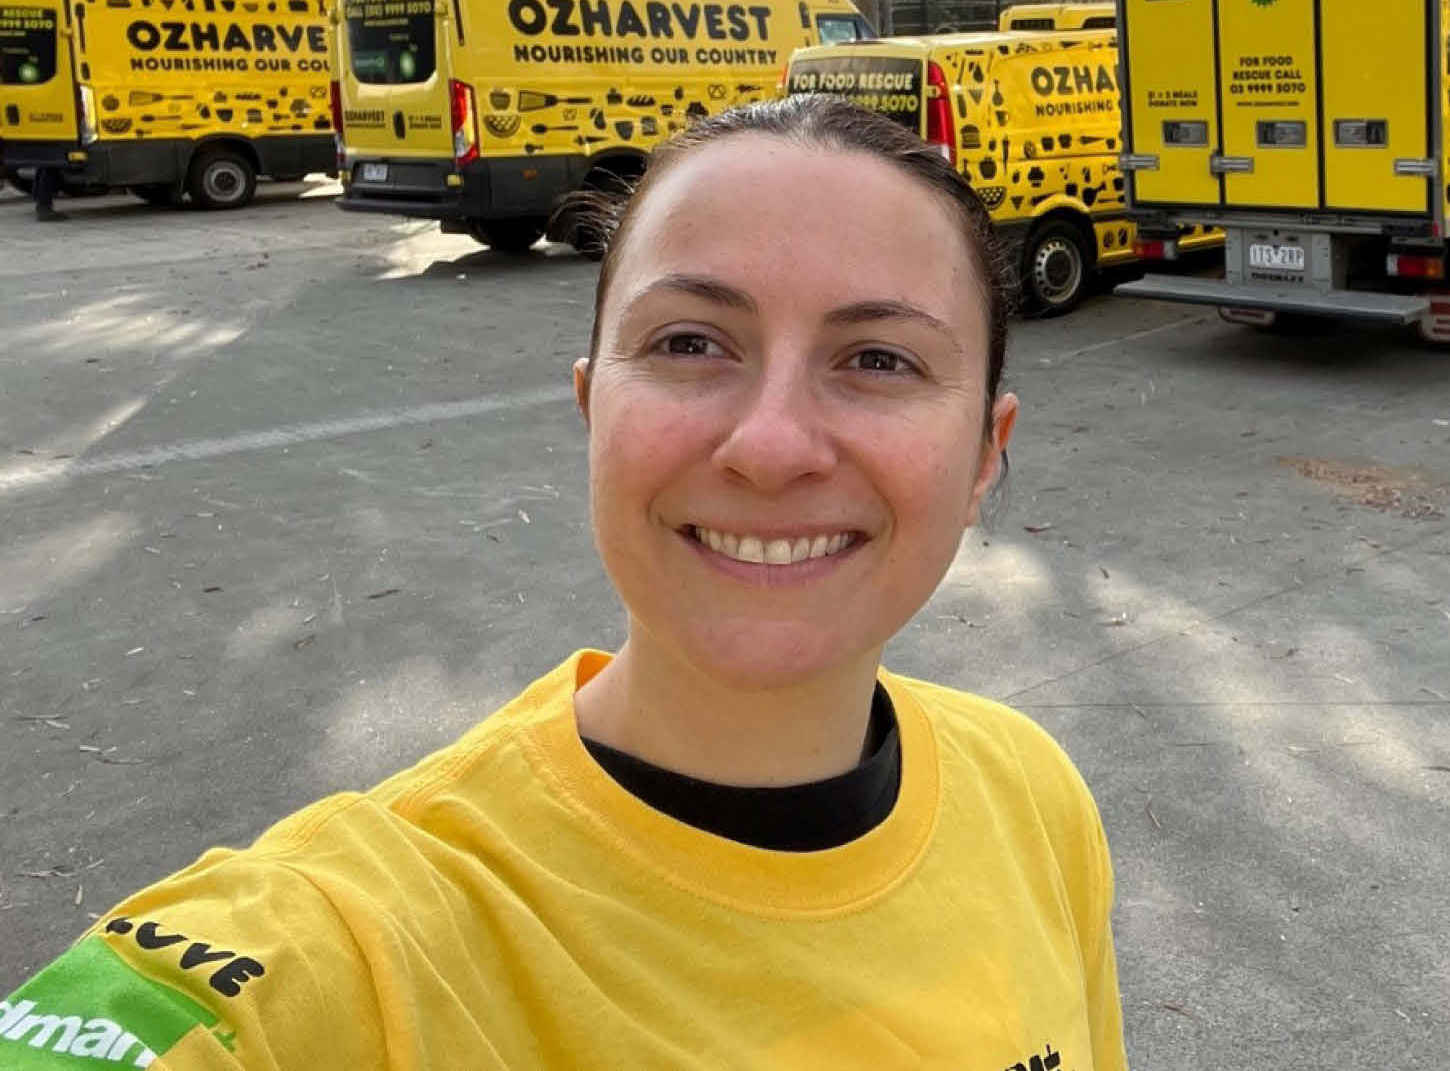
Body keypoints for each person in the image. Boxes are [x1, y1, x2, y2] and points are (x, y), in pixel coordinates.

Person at [0, 96, 1127, 1069]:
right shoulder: (358, 946)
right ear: (593, 406)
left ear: (985, 451)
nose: (771, 444)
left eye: (878, 359)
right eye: (691, 342)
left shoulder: (1033, 801)